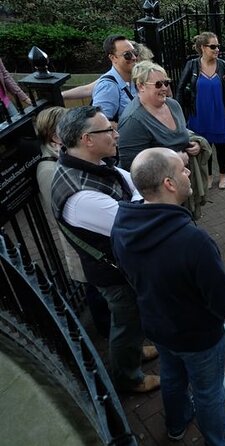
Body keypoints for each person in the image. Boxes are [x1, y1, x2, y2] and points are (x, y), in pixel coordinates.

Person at [110, 147, 225, 445]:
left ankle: (176, 425)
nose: (189, 173)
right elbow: (223, 301)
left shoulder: (122, 225)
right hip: (198, 337)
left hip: (157, 327)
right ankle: (220, 437)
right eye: (182, 170)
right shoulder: (193, 241)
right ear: (169, 184)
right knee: (208, 390)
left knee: (173, 378)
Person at [50, 106, 159, 393]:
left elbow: (131, 185)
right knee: (125, 321)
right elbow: (136, 222)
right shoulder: (81, 195)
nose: (116, 134)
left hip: (119, 263)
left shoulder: (91, 163)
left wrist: (139, 198)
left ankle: (134, 351)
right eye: (108, 130)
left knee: (131, 320)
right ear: (87, 139)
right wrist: (147, 200)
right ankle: (128, 378)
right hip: (113, 273)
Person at [35, 106, 111, 338]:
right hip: (82, 245)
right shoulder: (49, 168)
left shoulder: (64, 157)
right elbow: (64, 213)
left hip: (92, 241)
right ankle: (111, 341)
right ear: (55, 134)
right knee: (97, 294)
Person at [177, 32, 225, 190]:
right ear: (203, 48)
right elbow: (181, 89)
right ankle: (209, 176)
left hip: (219, 115)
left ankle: (223, 175)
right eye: (213, 46)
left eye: (217, 46)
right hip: (199, 115)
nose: (217, 49)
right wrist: (179, 116)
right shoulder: (192, 65)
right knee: (205, 147)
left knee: (222, 147)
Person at [117, 61, 202, 170]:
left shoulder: (173, 105)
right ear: (141, 86)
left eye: (166, 83)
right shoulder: (133, 121)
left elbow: (182, 131)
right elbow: (132, 167)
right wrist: (174, 161)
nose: (164, 88)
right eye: (158, 84)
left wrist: (196, 142)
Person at [63, 42, 154, 102]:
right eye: (127, 55)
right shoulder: (112, 81)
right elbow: (87, 89)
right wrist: (61, 95)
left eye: (134, 55)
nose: (133, 59)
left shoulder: (149, 77)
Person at [92, 35, 138, 124]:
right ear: (113, 58)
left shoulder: (134, 78)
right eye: (127, 55)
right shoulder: (108, 86)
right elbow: (100, 125)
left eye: (134, 52)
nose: (134, 57)